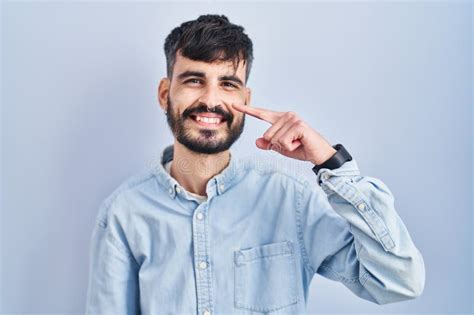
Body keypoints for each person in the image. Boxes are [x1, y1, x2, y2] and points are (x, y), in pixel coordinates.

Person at [85, 14, 425, 315]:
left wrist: (330, 163)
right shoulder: (123, 213)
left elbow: (398, 282)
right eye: (193, 80)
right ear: (164, 93)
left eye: (228, 84)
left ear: (245, 100)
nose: (211, 100)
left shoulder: (290, 202)